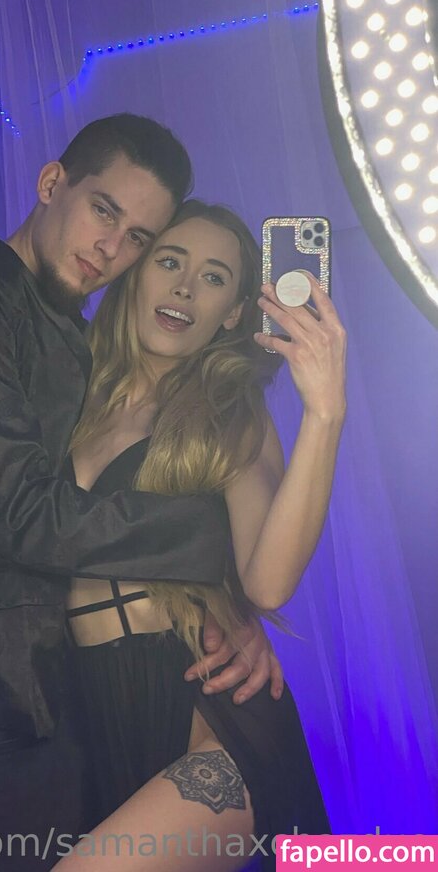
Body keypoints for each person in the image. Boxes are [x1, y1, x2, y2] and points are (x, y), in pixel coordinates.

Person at [0, 115, 282, 871]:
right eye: (104, 210)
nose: (110, 247)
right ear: (51, 183)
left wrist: (229, 604)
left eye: (136, 238)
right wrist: (209, 544)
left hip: (59, 707)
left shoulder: (72, 342)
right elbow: (21, 512)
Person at [49, 200, 344, 870]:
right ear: (136, 272)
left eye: (214, 277)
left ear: (234, 313)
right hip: (89, 717)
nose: (185, 287)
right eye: (170, 261)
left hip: (209, 719)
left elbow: (268, 583)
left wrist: (325, 411)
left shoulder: (229, 413)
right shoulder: (64, 402)